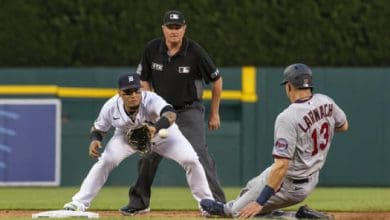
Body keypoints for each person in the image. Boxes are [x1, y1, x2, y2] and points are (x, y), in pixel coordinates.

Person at [200, 63, 349, 219]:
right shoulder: (326, 102)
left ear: (289, 86)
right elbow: (344, 125)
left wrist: (260, 203)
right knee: (251, 187)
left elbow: (281, 166)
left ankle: (298, 217)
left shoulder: (288, 117)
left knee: (242, 213)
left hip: (289, 181)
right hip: (310, 177)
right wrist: (313, 132)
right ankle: (226, 208)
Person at [120, 10, 225, 215]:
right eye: (170, 27)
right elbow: (143, 78)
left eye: (178, 28)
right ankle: (140, 203)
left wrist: (215, 113)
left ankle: (217, 203)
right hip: (162, 111)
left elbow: (217, 80)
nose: (174, 31)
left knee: (198, 154)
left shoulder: (194, 51)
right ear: (164, 29)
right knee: (148, 154)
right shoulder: (152, 49)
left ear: (184, 29)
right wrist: (150, 103)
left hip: (189, 111)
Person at [63, 73, 214, 212]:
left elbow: (171, 114)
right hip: (126, 136)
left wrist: (155, 128)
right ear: (119, 93)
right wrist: (95, 140)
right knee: (106, 160)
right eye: (128, 92)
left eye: (136, 90)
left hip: (162, 135)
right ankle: (79, 202)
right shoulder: (110, 106)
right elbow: (98, 128)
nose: (133, 95)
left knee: (191, 159)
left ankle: (207, 204)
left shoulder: (151, 99)